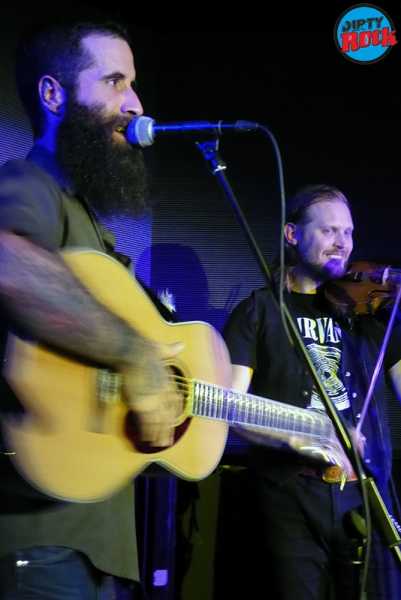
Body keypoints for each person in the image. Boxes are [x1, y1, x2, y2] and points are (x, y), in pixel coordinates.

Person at [0, 19, 182, 599]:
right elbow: (7, 264)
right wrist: (135, 355)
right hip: (42, 540)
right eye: (113, 81)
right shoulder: (28, 182)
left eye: (133, 83)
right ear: (54, 95)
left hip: (95, 545)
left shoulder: (88, 221)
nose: (135, 103)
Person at [222, 184, 401, 599]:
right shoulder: (259, 311)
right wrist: (297, 435)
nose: (343, 244)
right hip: (291, 495)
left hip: (367, 492)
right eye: (329, 231)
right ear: (292, 234)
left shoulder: (368, 313)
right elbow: (231, 409)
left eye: (348, 232)